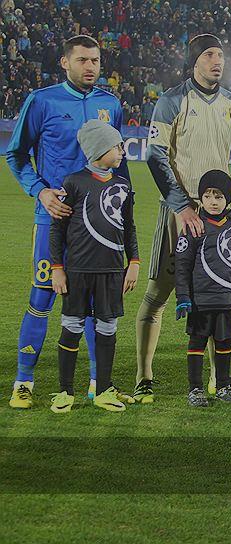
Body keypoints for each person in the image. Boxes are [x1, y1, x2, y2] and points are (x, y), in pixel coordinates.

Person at [7, 35, 130, 409]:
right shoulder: (42, 101)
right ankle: (24, 382)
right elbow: (16, 155)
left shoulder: (110, 104)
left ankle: (97, 383)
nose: (90, 66)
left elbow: (119, 164)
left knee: (95, 302)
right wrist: (41, 191)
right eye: (82, 60)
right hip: (55, 219)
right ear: (65, 62)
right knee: (42, 296)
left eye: (95, 60)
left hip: (101, 224)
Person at [135, 34, 231, 403]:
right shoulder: (172, 100)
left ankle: (218, 382)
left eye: (221, 55)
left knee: (218, 295)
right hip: (181, 211)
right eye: (209, 55)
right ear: (194, 61)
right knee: (158, 293)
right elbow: (155, 154)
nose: (217, 61)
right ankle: (144, 377)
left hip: (219, 214)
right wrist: (181, 205)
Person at [48, 120, 139, 412]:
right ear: (100, 149)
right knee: (71, 326)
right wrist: (57, 268)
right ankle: (65, 391)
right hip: (77, 270)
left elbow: (129, 228)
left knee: (108, 328)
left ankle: (103, 390)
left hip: (111, 271)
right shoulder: (73, 182)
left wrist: (134, 262)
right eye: (117, 146)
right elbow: (57, 230)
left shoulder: (123, 185)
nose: (122, 151)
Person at [174, 170, 231, 407]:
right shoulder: (194, 227)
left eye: (219, 196)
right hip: (201, 299)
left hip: (227, 298)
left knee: (224, 343)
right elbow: (182, 265)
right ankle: (195, 389)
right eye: (208, 196)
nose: (213, 201)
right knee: (197, 344)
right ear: (201, 198)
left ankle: (223, 386)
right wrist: (183, 296)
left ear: (227, 200)